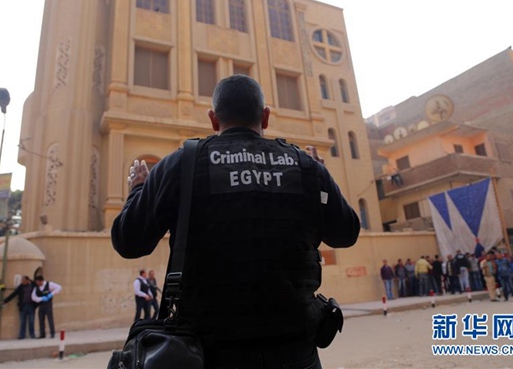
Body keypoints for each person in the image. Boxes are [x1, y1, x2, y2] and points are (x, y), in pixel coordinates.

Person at [112, 75, 360, 368]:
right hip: (295, 352)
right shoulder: (305, 166)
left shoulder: (181, 164)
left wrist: (138, 189)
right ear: (265, 116)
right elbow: (346, 233)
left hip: (210, 353)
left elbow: (129, 242)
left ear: (213, 119)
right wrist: (321, 177)